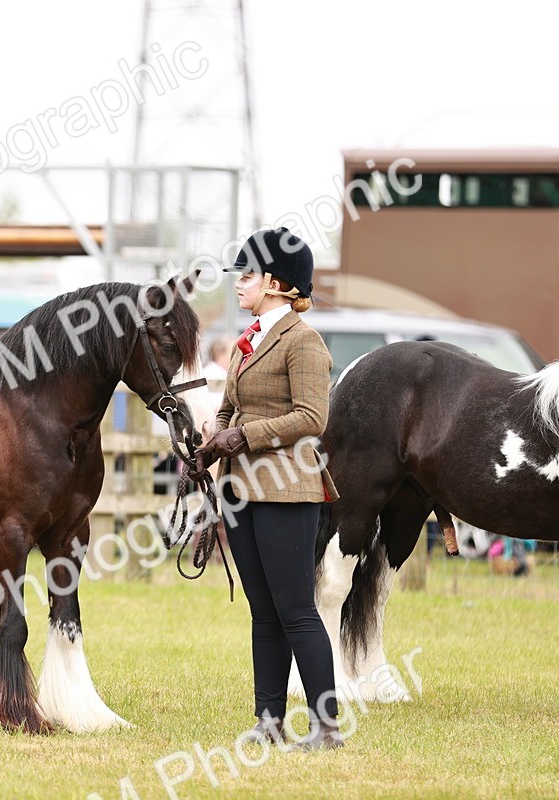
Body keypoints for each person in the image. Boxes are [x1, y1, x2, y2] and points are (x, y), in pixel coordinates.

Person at [193, 227, 343, 750]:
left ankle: (326, 726)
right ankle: (269, 720)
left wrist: (244, 435)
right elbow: (234, 402)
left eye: (249, 275)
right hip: (241, 489)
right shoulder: (252, 336)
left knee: (296, 608)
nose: (240, 284)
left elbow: (312, 416)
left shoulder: (304, 342)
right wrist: (213, 438)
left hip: (286, 489)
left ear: (277, 284)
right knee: (263, 609)